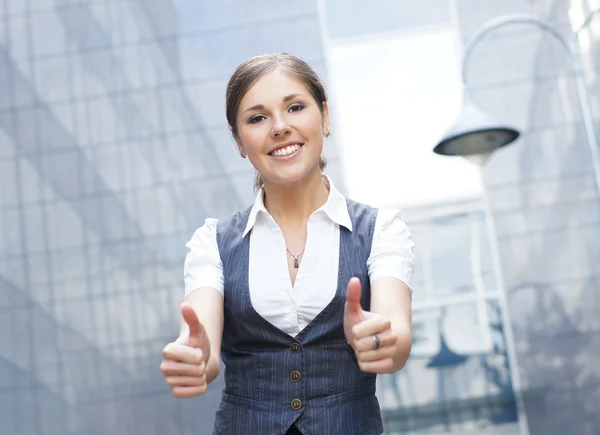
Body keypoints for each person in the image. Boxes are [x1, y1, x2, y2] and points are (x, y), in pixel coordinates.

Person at [160, 53, 415, 435]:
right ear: (239, 141)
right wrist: (194, 356)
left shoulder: (381, 230)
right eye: (257, 118)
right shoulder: (212, 243)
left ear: (324, 117)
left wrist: (380, 340)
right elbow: (203, 343)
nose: (280, 127)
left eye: (295, 107)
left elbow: (396, 336)